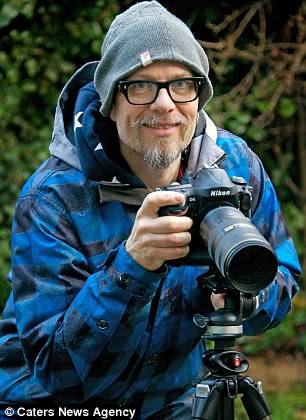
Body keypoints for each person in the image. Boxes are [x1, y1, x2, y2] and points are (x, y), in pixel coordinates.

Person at [0, 1, 301, 419]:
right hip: (48, 406)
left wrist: (242, 297)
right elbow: (57, 372)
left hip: (170, 402)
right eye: (140, 86)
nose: (165, 105)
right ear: (110, 100)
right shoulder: (54, 198)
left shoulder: (235, 167)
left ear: (199, 95)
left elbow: (284, 277)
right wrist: (131, 269)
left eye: (182, 84)